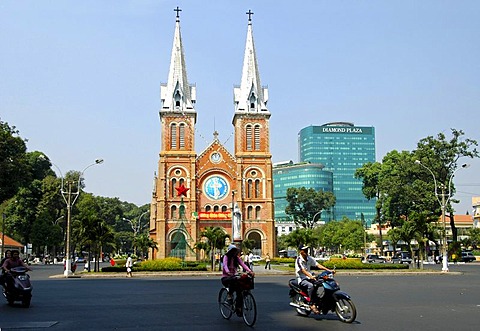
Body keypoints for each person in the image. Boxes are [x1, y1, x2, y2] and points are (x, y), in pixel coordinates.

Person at [295, 244, 333, 314]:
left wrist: (328, 270)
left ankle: (318, 299)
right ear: (301, 252)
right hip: (302, 279)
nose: (306, 251)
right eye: (304, 250)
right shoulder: (298, 260)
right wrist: (310, 276)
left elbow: (318, 265)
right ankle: (312, 304)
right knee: (311, 286)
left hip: (310, 277)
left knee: (321, 282)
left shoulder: (309, 258)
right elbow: (303, 270)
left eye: (307, 249)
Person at [221, 244, 254, 310]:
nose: (234, 252)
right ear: (230, 251)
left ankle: (238, 307)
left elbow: (243, 264)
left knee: (240, 290)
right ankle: (229, 295)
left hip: (233, 277)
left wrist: (250, 271)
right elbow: (225, 265)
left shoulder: (236, 258)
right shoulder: (226, 257)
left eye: (235, 251)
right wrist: (228, 272)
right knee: (233, 280)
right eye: (233, 251)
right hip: (226, 278)